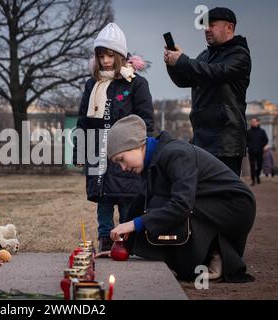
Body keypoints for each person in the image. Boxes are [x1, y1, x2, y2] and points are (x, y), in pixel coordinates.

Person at [107, 115, 256, 283]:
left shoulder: (176, 154)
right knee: (156, 206)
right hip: (215, 202)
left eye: (121, 159)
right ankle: (200, 255)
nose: (123, 168)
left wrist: (135, 224)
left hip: (235, 206)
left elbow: (181, 205)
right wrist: (123, 246)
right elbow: (141, 204)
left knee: (169, 208)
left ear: (136, 144)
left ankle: (216, 254)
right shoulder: (155, 160)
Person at [73, 23, 154, 252]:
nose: (106, 61)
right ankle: (105, 240)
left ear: (120, 55)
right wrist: (80, 151)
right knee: (104, 199)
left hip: (126, 154)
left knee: (128, 199)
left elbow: (146, 121)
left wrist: (141, 151)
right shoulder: (92, 84)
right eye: (101, 56)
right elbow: (83, 121)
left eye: (110, 55)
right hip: (98, 153)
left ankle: (127, 241)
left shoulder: (136, 83)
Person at [164, 7, 251, 176]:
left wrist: (182, 60)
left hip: (226, 142)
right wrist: (172, 63)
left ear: (229, 27)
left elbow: (215, 72)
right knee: (202, 194)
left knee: (225, 195)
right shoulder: (205, 55)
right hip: (201, 138)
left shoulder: (240, 55)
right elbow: (184, 80)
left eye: (212, 24)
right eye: (204, 26)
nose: (207, 29)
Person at [246, 118, 269, 185]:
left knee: (259, 166)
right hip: (251, 152)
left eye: (254, 121)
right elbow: (246, 141)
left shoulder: (262, 131)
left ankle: (257, 175)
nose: (253, 123)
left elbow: (266, 140)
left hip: (260, 151)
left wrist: (263, 146)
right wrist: (249, 146)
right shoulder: (248, 132)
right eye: (252, 121)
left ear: (258, 122)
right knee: (252, 166)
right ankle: (253, 180)